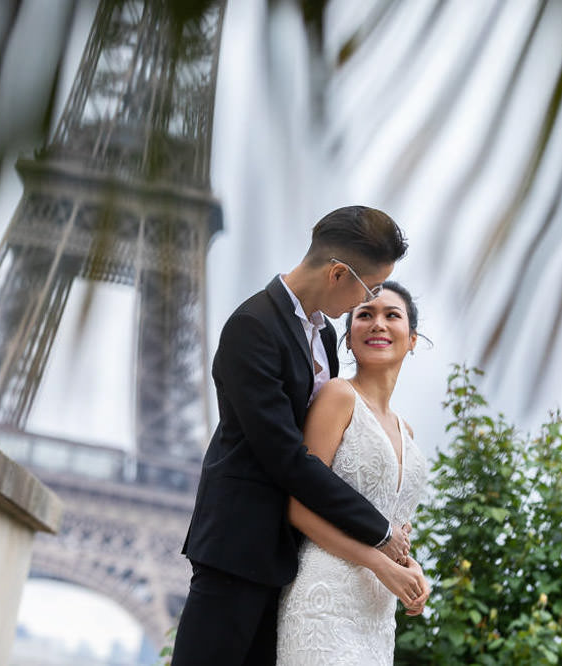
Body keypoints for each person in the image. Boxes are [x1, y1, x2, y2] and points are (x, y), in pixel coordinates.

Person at [172, 206, 423, 665]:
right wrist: (379, 532)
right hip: (238, 548)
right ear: (338, 273)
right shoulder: (253, 327)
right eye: (367, 290)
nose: (363, 305)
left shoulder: (324, 335)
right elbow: (286, 457)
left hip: (294, 562)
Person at [276, 281, 429, 665]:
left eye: (391, 315)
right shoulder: (338, 396)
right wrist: (379, 563)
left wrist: (411, 568)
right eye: (365, 314)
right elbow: (298, 507)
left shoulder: (406, 431)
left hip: (377, 614)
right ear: (347, 340)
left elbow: (396, 526)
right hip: (324, 600)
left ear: (411, 340)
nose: (378, 323)